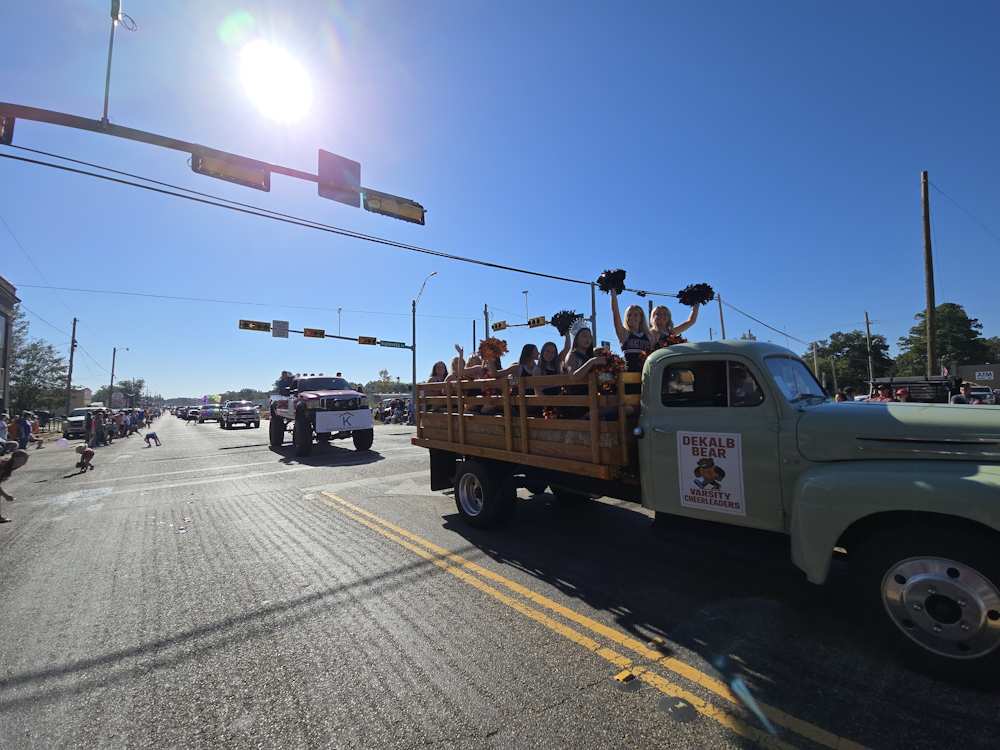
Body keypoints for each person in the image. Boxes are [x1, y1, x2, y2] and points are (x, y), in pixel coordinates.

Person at [610, 289, 651, 372]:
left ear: (641, 318)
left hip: (647, 375)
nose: (632, 317)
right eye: (629, 315)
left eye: (635, 315)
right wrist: (613, 294)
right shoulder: (624, 333)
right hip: (629, 376)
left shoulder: (649, 335)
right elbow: (615, 313)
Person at [0, 449, 29, 523]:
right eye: (24, 459)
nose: (25, 462)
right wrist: (5, 495)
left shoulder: (11, 465)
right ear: (16, 458)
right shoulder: (3, 466)